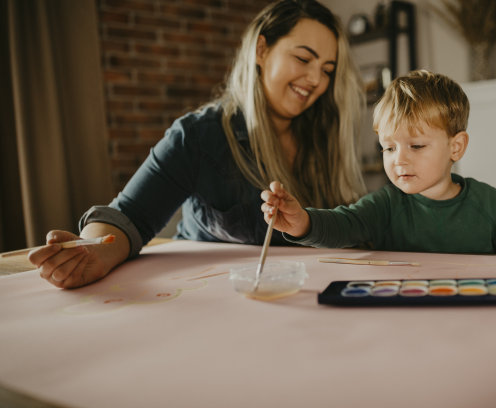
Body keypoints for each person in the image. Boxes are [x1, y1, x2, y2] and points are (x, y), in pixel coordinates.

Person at [31, 0, 367, 288]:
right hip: (215, 304)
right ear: (261, 50)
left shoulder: (325, 135)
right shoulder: (198, 135)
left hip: (306, 298)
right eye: (304, 59)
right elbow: (129, 216)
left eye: (327, 70)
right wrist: (91, 249)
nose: (315, 80)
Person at [261, 70, 496, 259]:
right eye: (388, 147)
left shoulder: (487, 202)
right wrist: (301, 222)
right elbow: (344, 225)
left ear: (456, 147)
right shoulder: (386, 204)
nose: (398, 158)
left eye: (416, 146)